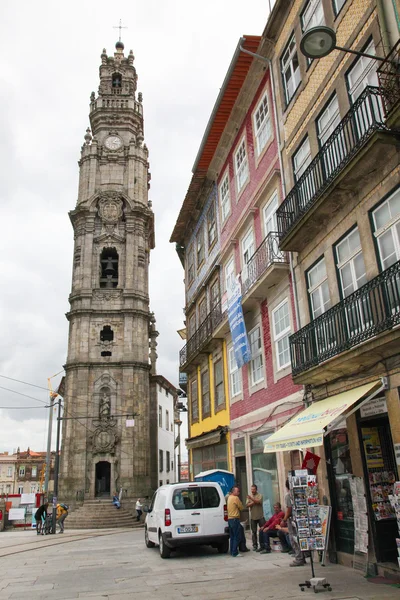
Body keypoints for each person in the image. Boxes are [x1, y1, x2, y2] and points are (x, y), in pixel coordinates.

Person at [282, 479, 305, 567]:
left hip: (292, 520)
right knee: (299, 538)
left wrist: (284, 520)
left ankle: (299, 558)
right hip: (299, 518)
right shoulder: (299, 494)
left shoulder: (288, 496)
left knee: (294, 538)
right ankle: (303, 556)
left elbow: (289, 510)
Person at [246, 484, 265, 551]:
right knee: (253, 532)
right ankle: (255, 545)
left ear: (256, 489)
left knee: (262, 531)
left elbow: (259, 502)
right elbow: (247, 505)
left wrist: (252, 500)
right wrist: (254, 502)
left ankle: (263, 545)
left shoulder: (260, 495)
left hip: (260, 516)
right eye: (251, 489)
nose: (252, 491)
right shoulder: (249, 496)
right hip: (253, 516)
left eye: (253, 489)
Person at [227, 486, 244, 557]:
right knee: (237, 536)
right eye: (237, 491)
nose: (239, 493)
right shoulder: (235, 498)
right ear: (233, 492)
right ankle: (235, 552)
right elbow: (241, 507)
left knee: (232, 536)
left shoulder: (229, 498)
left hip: (230, 519)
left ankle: (232, 551)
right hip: (235, 519)